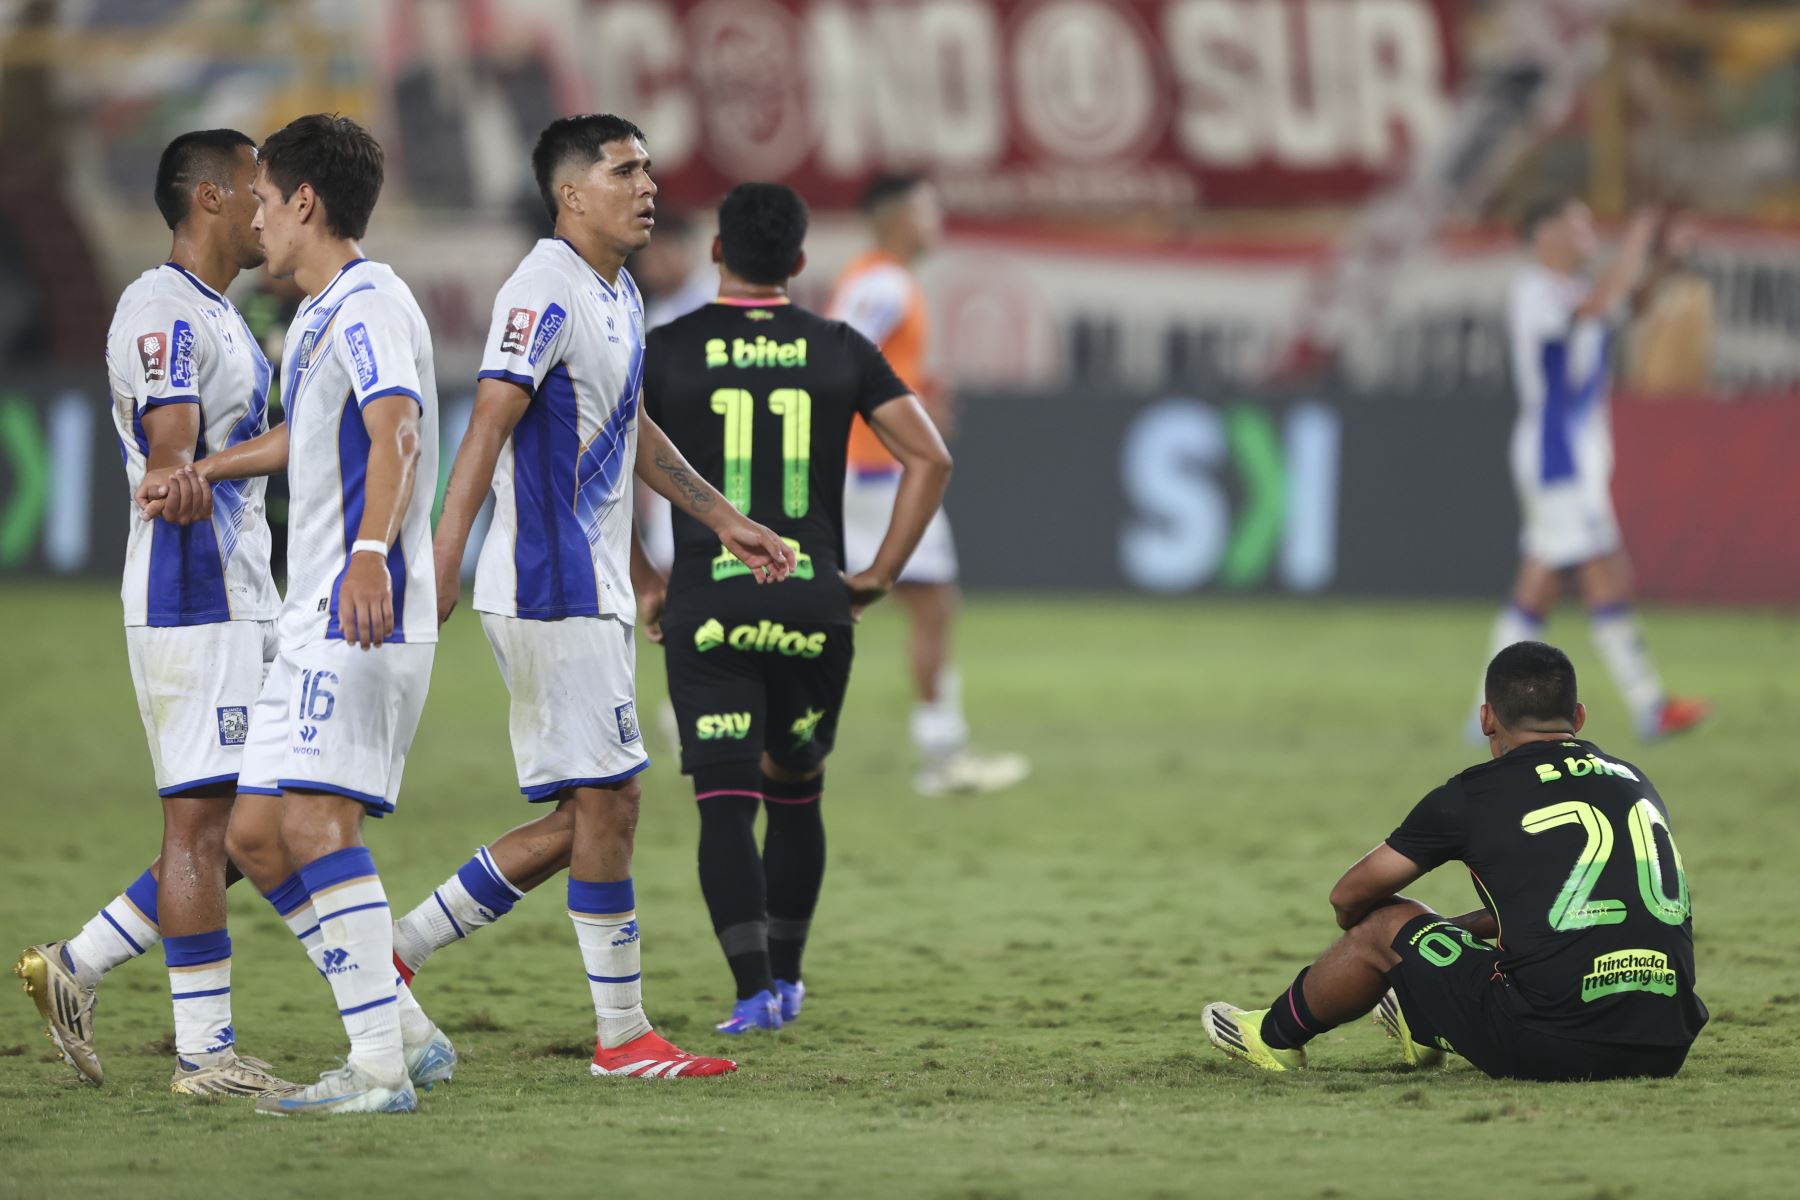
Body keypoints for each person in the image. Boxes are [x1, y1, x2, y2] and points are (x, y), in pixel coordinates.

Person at [391, 114, 795, 1081]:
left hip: (593, 586)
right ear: (572, 193)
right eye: (624, 170)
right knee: (610, 804)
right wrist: (442, 563)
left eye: (649, 168)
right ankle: (622, 1039)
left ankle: (391, 954)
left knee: (595, 813)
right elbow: (487, 423)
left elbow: (630, 427)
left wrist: (719, 520)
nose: (647, 185)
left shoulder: (617, 291)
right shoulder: (542, 288)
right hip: (547, 583)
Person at [142, 114, 443, 1116]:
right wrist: (207, 470)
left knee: (311, 822)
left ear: (305, 202)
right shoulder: (317, 316)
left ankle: (375, 1069)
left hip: (360, 608)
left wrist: (370, 556)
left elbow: (393, 425)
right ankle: (404, 1033)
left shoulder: (368, 301)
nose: (255, 220)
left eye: (264, 201)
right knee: (261, 833)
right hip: (317, 608)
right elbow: (303, 443)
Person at [13, 129, 294, 1097]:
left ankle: (77, 966)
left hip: (237, 598)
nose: (272, 206)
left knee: (256, 826)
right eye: (260, 189)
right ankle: (204, 1056)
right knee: (208, 829)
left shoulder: (220, 312)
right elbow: (169, 437)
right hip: (190, 596)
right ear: (212, 197)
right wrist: (175, 473)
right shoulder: (161, 308)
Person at [641, 182, 953, 1033]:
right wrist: (880, 573)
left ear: (716, 255)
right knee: (796, 796)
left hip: (708, 604)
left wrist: (642, 575)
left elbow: (597, 457)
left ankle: (749, 994)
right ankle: (787, 980)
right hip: (814, 605)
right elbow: (929, 458)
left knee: (724, 806)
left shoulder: (666, 347)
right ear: (802, 263)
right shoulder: (841, 346)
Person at [1205, 641, 1707, 1081]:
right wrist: (1450, 929)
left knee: (1386, 922)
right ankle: (1423, 1021)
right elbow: (1573, 904)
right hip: (1665, 1043)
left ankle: (1272, 1037)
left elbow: (1349, 895)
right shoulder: (1634, 779)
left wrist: (1385, 937)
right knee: (1440, 937)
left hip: (1554, 1046)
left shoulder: (1474, 795)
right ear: (1578, 717)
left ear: (1487, 718)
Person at [1472, 197, 1709, 743]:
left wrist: (1662, 262)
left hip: (1574, 455)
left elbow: (1629, 303)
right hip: (1559, 455)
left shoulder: (1576, 290)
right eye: (1576, 224)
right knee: (1603, 571)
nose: (1587, 233)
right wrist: (1639, 235)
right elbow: (1602, 305)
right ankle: (1651, 705)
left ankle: (1484, 713)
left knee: (1540, 582)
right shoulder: (1534, 291)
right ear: (1545, 234)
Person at [829, 174, 1026, 796]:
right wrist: (901, 415)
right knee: (932, 606)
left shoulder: (878, 278)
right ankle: (942, 755)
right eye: (925, 206)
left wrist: (914, 399)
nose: (935, 216)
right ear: (896, 217)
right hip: (874, 472)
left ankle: (727, 724)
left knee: (843, 605)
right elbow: (839, 357)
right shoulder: (884, 282)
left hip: (862, 467)